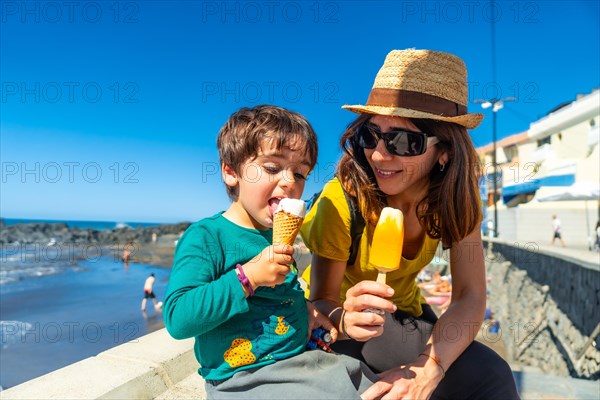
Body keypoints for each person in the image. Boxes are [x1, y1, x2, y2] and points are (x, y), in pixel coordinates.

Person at [301, 49, 519, 399]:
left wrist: (428, 367)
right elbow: (322, 300)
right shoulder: (343, 200)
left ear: (444, 151)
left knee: (492, 374)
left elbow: (469, 295)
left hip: (407, 317)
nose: (380, 155)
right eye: (370, 136)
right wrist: (345, 315)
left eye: (404, 141)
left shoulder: (453, 201)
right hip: (345, 324)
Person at [163, 105, 377, 399]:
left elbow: (283, 291)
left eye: (300, 173)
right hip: (245, 378)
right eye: (273, 168)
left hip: (301, 362)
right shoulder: (207, 236)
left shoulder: (277, 235)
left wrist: (307, 310)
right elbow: (178, 317)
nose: (290, 182)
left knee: (377, 387)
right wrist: (247, 278)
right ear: (230, 172)